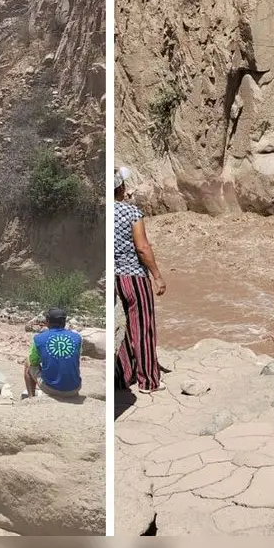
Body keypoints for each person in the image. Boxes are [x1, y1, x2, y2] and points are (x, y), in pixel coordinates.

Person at [113, 167, 166, 394]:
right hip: (133, 276)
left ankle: (121, 376)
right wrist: (157, 275)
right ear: (121, 188)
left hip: (114, 278)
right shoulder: (131, 212)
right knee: (143, 327)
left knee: (125, 328)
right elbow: (143, 248)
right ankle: (149, 381)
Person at [24, 307, 82, 399]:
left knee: (28, 363)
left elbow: (33, 361)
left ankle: (31, 397)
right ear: (64, 322)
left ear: (47, 322)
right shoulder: (77, 338)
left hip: (51, 389)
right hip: (75, 388)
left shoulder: (39, 338)